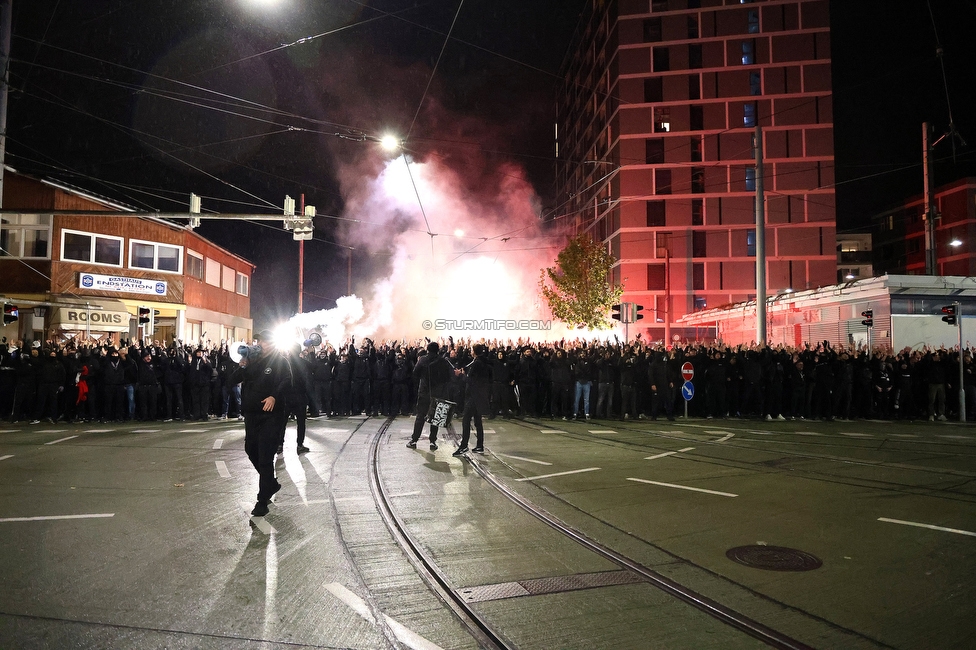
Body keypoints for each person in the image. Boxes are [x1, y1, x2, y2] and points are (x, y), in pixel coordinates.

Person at [229, 330, 292, 518]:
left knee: (265, 457)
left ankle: (262, 501)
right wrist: (241, 366)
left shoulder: (281, 361)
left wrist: (274, 396)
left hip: (272, 416)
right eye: (263, 341)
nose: (266, 344)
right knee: (251, 449)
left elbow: (287, 382)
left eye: (269, 341)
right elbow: (231, 381)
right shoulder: (251, 361)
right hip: (251, 414)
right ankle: (270, 483)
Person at [407, 341, 454, 451]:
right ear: (438, 350)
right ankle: (433, 441)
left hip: (424, 392)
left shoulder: (423, 360)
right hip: (438, 393)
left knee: (420, 416)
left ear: (427, 350)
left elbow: (415, 374)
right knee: (435, 418)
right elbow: (448, 377)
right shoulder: (443, 361)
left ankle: (414, 440)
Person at [453, 343, 490, 456]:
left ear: (474, 351)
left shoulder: (477, 363)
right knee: (478, 422)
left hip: (473, 396)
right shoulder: (484, 362)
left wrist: (461, 375)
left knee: (466, 420)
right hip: (481, 395)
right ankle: (479, 445)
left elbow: (471, 381)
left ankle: (464, 446)